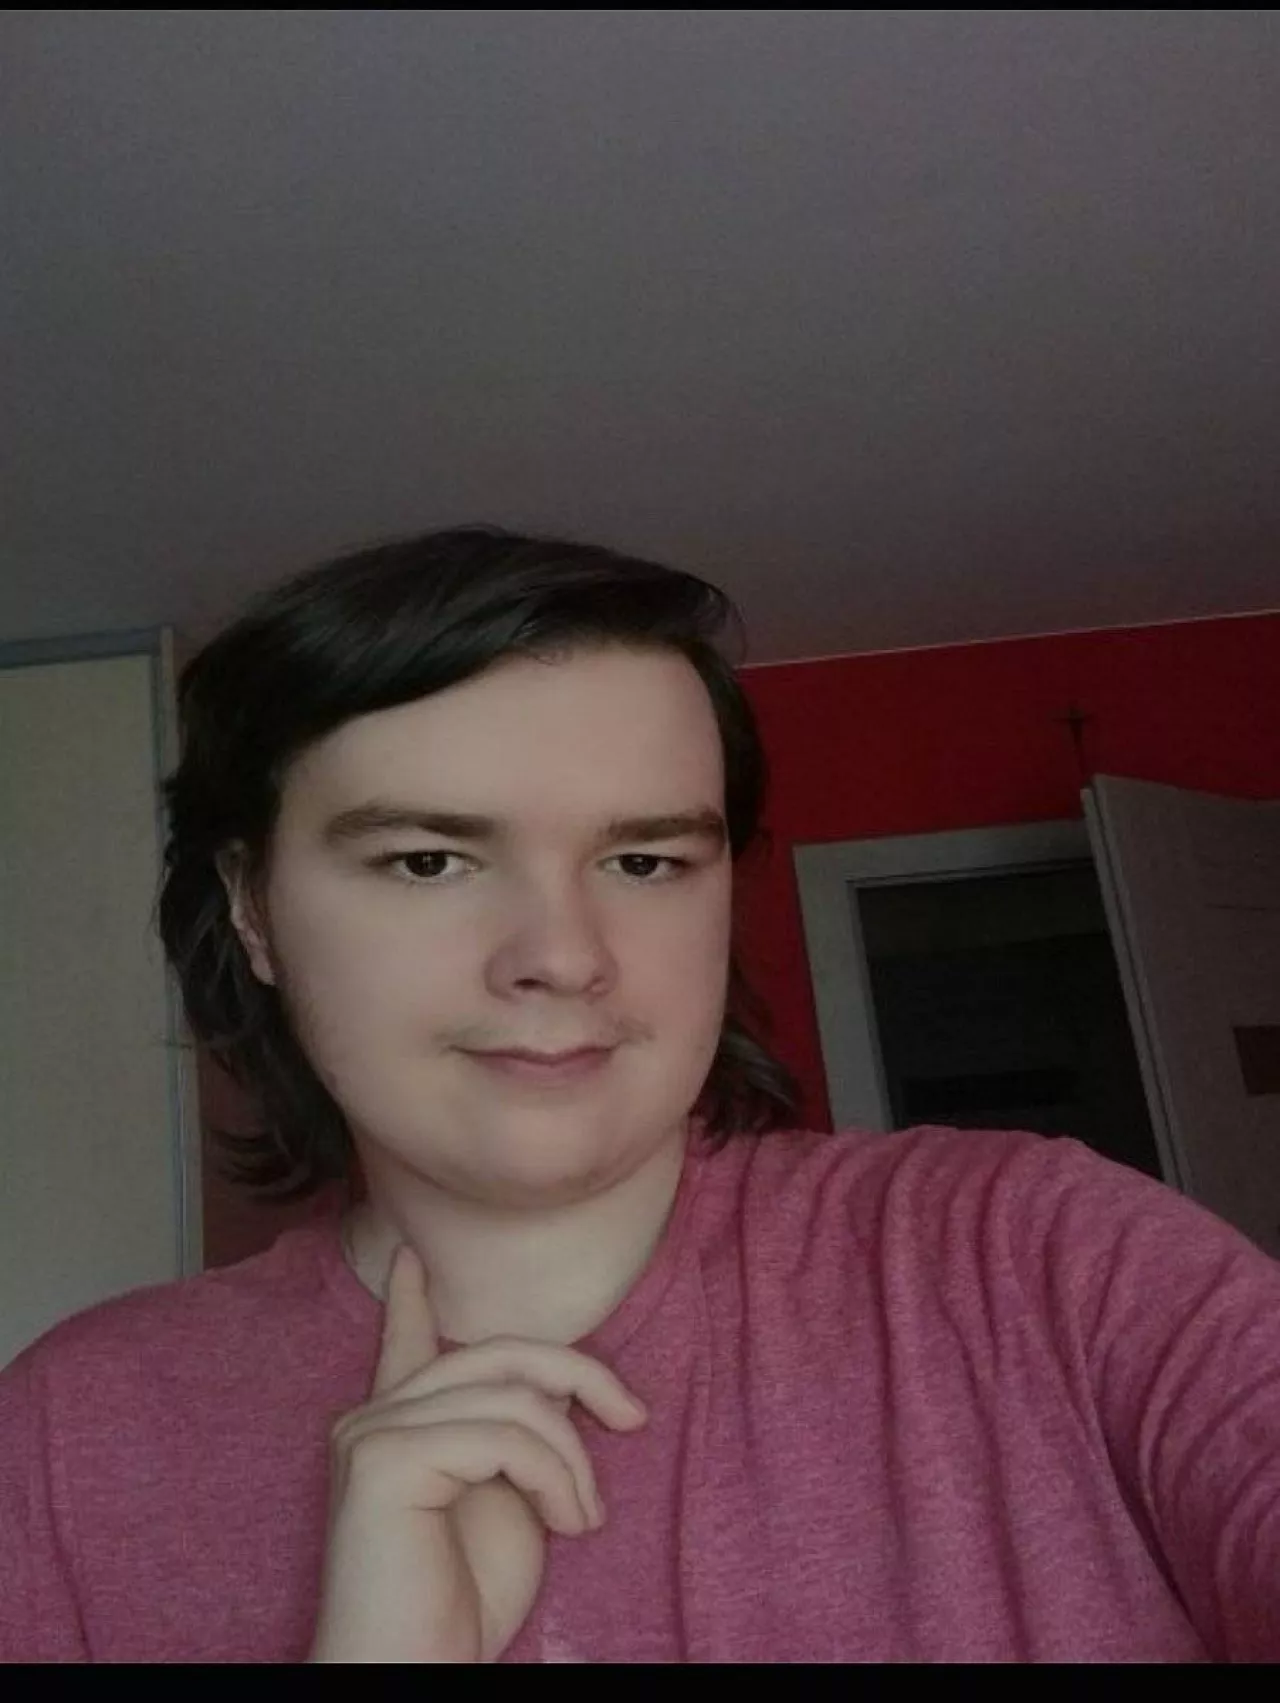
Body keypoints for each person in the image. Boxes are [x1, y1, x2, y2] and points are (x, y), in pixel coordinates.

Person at [1, 526, 1278, 1664]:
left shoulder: (1042, 1257)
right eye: (429, 859)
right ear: (251, 910)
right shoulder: (71, 1436)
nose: (562, 954)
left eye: (644, 859)